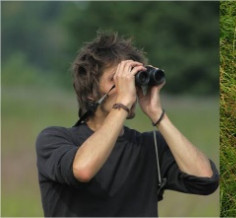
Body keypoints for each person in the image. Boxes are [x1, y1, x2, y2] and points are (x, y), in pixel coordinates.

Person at [35, 32, 219, 216]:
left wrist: (157, 114)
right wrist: (122, 103)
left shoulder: (149, 147)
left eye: (134, 78)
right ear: (91, 92)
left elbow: (205, 179)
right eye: (118, 79)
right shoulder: (54, 139)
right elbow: (83, 169)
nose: (129, 87)